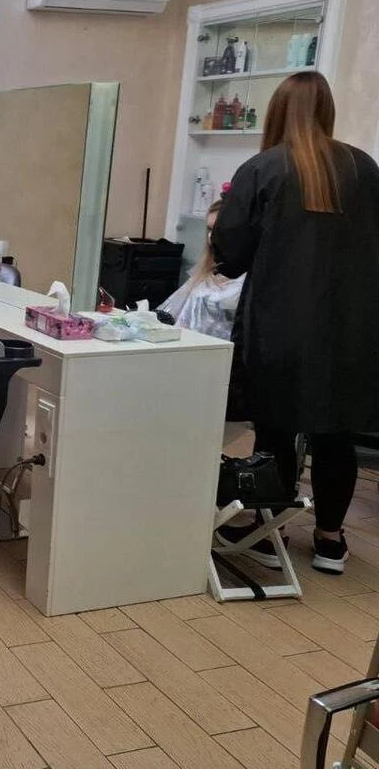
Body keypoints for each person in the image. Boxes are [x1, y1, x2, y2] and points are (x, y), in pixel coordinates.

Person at [212, 71, 379, 574]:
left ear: (278, 112)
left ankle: (271, 533)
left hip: (278, 328)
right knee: (336, 435)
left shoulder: (263, 169)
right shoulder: (365, 169)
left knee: (276, 432)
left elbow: (231, 255)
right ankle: (330, 542)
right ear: (327, 111)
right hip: (351, 331)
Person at [159, 197, 244, 341]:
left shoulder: (248, 280)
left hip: (222, 351)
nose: (211, 236)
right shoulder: (207, 272)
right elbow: (176, 313)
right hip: (190, 346)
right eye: (209, 229)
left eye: (217, 229)